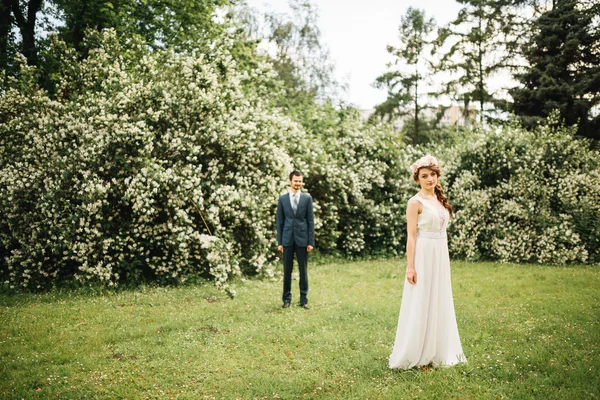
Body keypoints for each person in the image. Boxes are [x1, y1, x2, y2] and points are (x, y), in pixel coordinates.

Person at [389, 155, 466, 369]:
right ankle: (419, 355)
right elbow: (411, 237)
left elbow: (443, 232)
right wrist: (410, 267)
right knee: (422, 300)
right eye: (424, 176)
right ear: (418, 179)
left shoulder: (440, 201)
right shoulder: (415, 203)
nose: (429, 179)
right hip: (423, 254)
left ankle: (437, 352)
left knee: (439, 299)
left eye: (432, 175)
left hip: (440, 255)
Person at [276, 170, 315, 309]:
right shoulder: (282, 199)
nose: (298, 183)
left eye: (300, 181)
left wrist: (311, 242)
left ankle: (303, 299)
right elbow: (279, 222)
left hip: (302, 240)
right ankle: (286, 299)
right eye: (295, 181)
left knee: (303, 270)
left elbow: (310, 221)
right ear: (290, 181)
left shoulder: (307, 198)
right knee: (287, 271)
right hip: (287, 240)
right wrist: (279, 242)